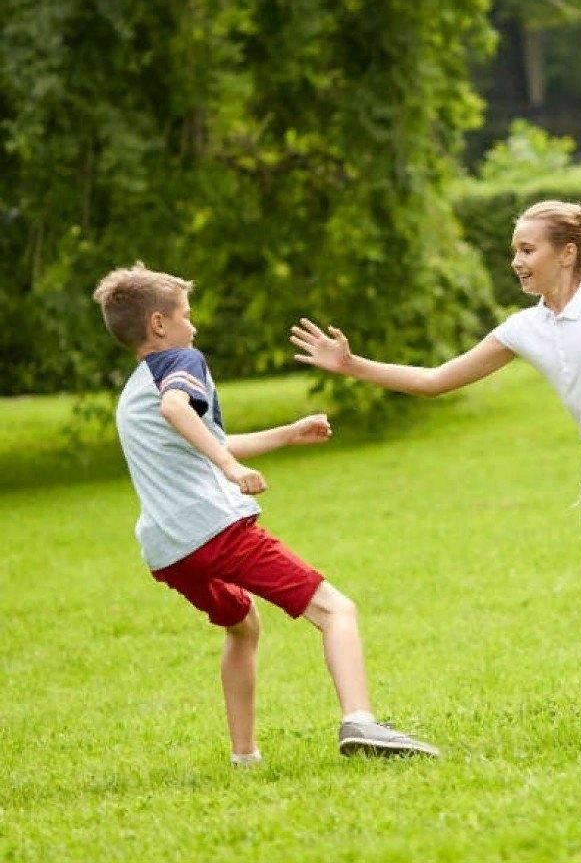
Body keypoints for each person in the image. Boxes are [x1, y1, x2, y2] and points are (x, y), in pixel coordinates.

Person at [289, 200, 581, 722]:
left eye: (526, 249)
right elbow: (434, 381)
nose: (516, 261)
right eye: (513, 251)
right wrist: (352, 364)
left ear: (566, 254)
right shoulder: (523, 328)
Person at [93, 263, 438, 764]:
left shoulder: (133, 391)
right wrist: (231, 468)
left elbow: (198, 436)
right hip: (215, 528)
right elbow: (177, 411)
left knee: (243, 624)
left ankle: (244, 756)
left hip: (168, 550)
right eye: (185, 315)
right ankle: (360, 721)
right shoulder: (178, 360)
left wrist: (286, 434)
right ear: (158, 325)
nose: (194, 326)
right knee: (336, 609)